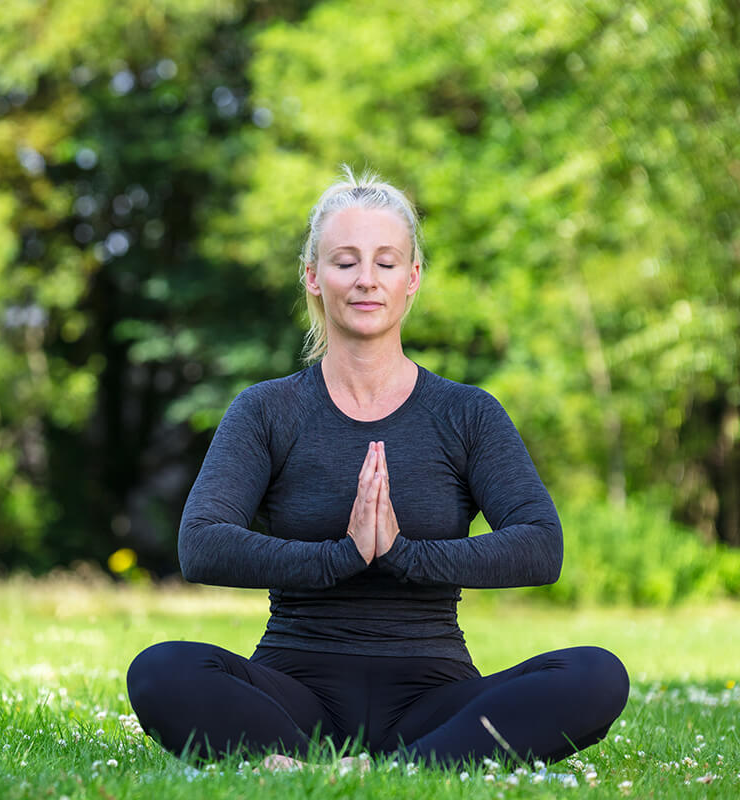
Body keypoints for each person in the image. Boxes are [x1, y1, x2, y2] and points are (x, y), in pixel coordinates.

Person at [125, 165, 629, 770]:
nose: (366, 279)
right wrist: (341, 556)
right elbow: (200, 545)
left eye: (386, 262)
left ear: (412, 278)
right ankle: (359, 760)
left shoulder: (466, 413)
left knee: (596, 674)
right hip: (295, 690)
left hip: (433, 695)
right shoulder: (266, 410)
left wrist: (402, 554)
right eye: (345, 261)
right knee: (159, 670)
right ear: (313, 276)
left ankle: (395, 768)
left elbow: (541, 547)